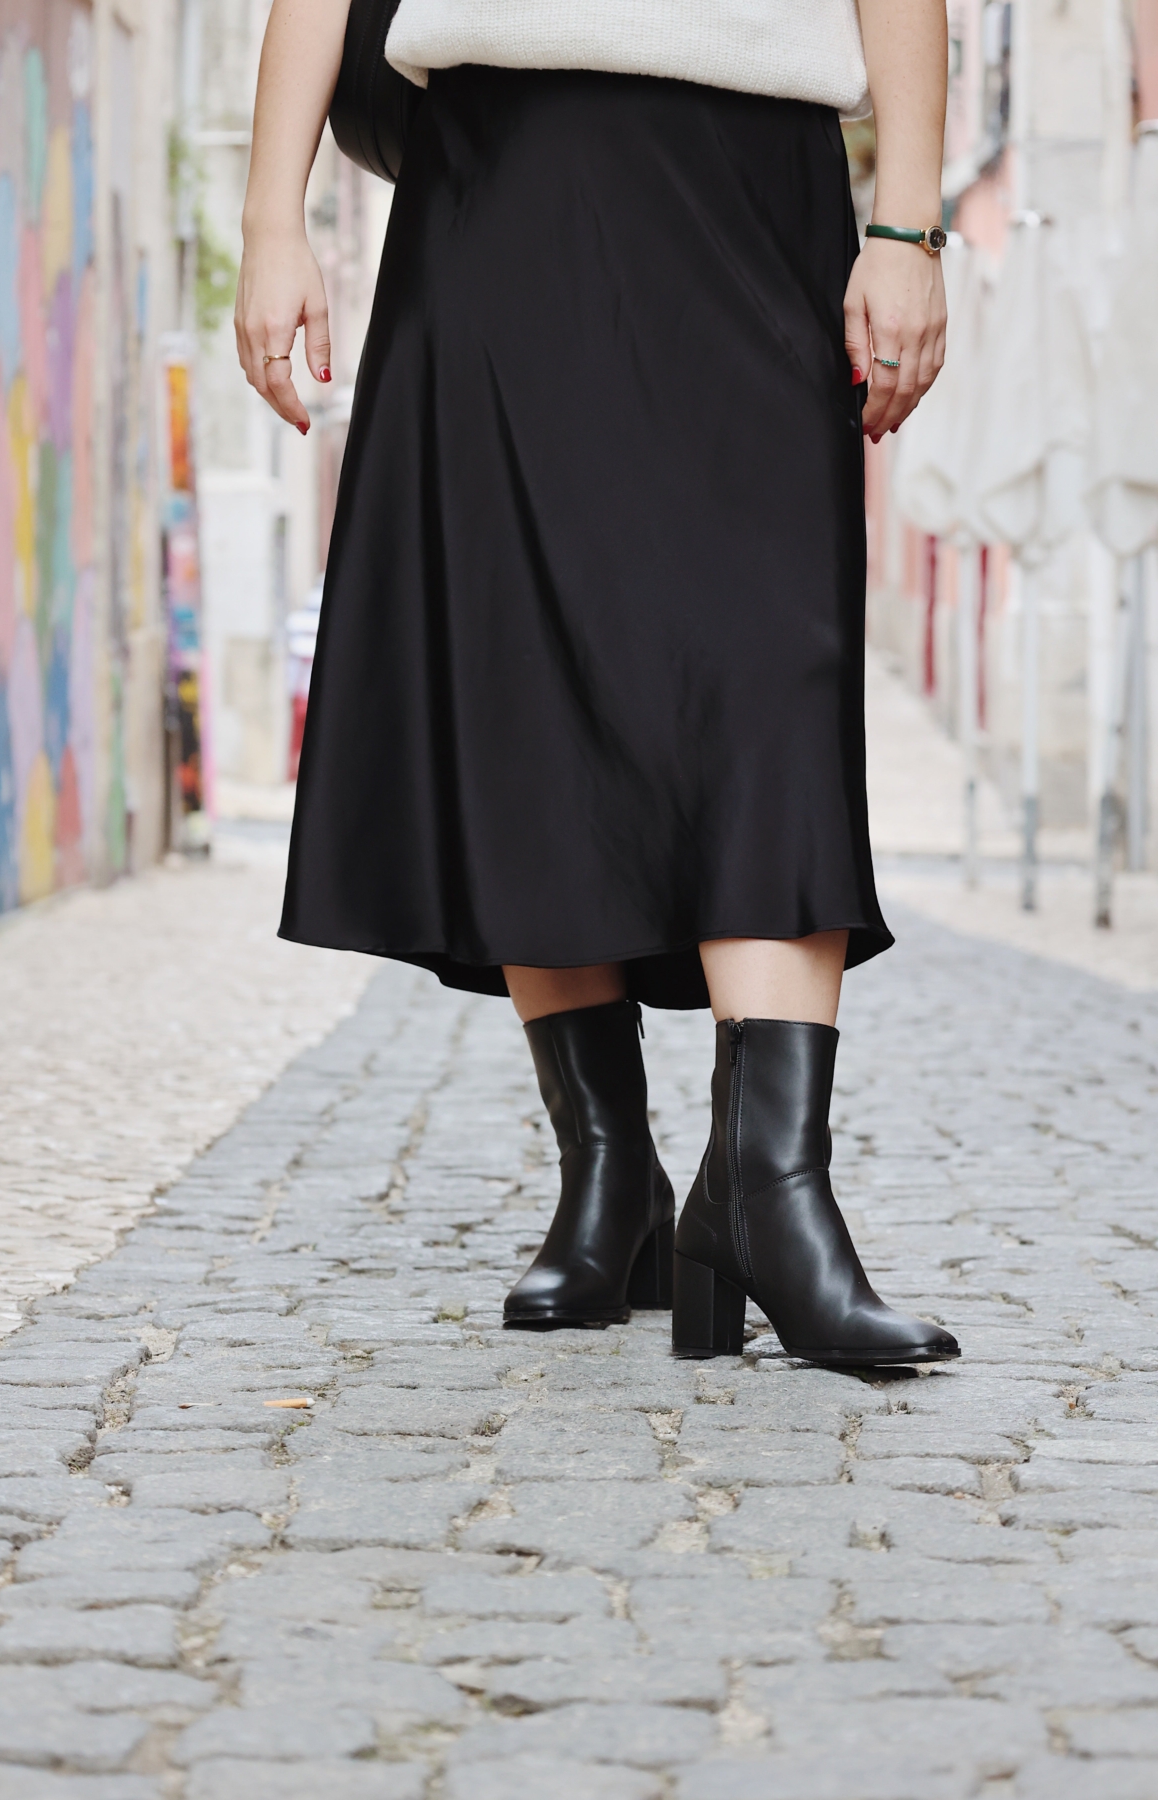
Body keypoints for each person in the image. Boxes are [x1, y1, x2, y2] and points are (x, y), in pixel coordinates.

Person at [236, 0, 961, 1367]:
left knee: (771, 663)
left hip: (755, 185)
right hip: (499, 183)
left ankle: (766, 1192)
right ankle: (607, 1170)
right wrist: (275, 220)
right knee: (528, 666)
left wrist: (910, 225)